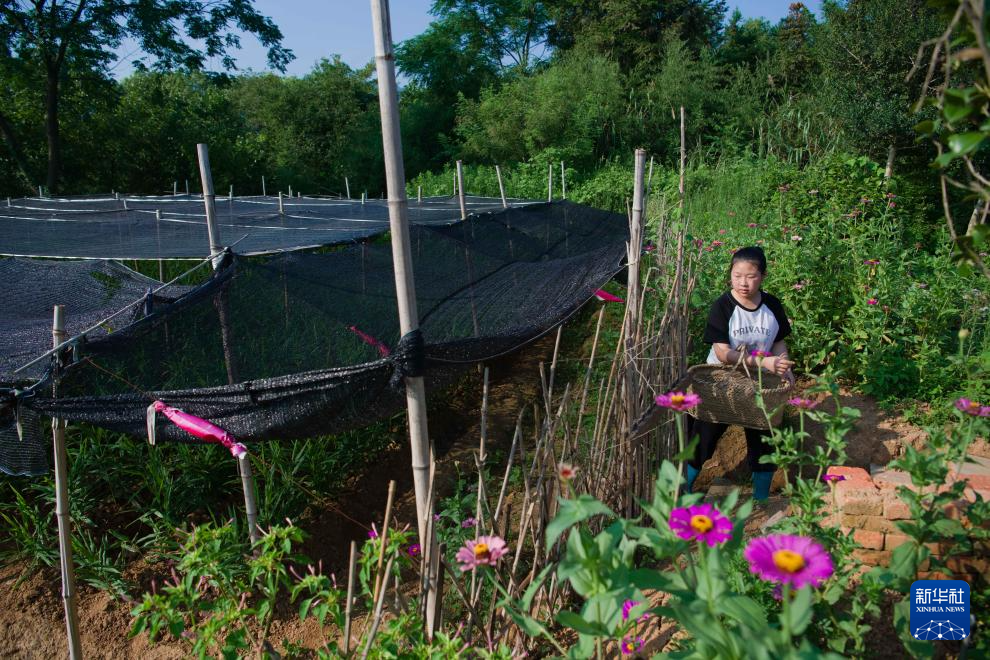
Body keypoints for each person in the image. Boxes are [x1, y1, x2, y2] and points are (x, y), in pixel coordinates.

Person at [685, 246, 794, 501]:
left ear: (763, 275)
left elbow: (778, 342)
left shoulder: (772, 305)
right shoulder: (723, 307)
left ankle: (761, 500)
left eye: (751, 276)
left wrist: (783, 365)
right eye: (737, 276)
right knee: (704, 437)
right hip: (720, 382)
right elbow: (723, 353)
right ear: (730, 275)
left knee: (764, 439)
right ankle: (682, 493)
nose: (743, 283)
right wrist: (763, 363)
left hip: (759, 385)